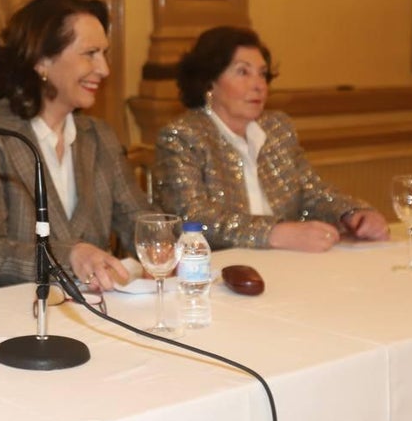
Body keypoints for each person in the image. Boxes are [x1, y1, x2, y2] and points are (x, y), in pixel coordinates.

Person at [0, 0, 152, 290]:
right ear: (42, 60)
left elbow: (140, 225)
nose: (104, 69)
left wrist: (176, 245)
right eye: (91, 53)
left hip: (100, 311)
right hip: (22, 316)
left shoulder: (99, 136)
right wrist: (69, 255)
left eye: (105, 53)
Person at [155, 26, 389, 252]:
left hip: (286, 262)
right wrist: (275, 233)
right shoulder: (183, 136)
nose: (258, 85)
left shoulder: (277, 129)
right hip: (217, 272)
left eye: (262, 74)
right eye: (243, 72)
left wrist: (352, 214)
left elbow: (311, 193)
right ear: (210, 83)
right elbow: (192, 217)